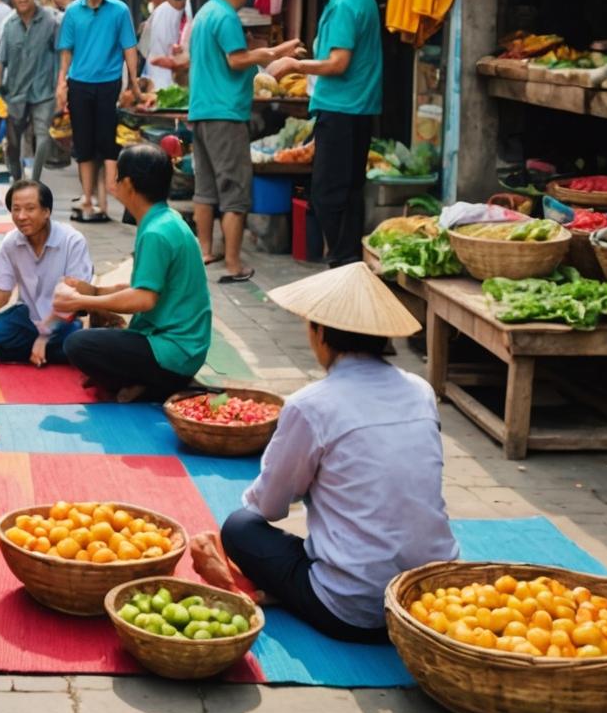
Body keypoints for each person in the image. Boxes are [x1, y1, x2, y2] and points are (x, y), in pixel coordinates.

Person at [190, 263, 456, 643]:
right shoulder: (420, 390)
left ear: (320, 334)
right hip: (428, 597)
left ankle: (287, 592)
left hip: (353, 609)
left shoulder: (311, 405)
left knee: (240, 528)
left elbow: (267, 504)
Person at [53, 143, 210, 402]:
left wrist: (82, 301)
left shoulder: (156, 232)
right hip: (180, 345)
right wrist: (95, 292)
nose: (114, 183)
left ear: (128, 184)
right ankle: (138, 379)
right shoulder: (165, 219)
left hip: (175, 350)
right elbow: (147, 286)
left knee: (77, 345)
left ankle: (150, 383)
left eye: (117, 177)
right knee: (96, 333)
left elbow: (143, 299)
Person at [269, 0, 383, 266]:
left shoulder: (347, 1)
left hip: (344, 108)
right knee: (345, 191)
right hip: (352, 108)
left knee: (329, 193)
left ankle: (343, 263)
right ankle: (347, 262)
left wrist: (294, 64)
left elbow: (338, 62)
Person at [189, 0, 302, 283]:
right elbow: (237, 60)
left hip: (202, 110)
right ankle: (235, 264)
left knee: (206, 187)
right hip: (225, 113)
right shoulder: (225, 16)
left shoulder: (205, 12)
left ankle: (206, 250)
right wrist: (274, 53)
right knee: (234, 189)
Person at [55, 0, 140, 223]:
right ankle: (88, 198)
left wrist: (133, 83)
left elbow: (129, 48)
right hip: (79, 83)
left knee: (107, 142)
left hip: (109, 82)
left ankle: (110, 195)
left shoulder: (119, 10)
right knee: (83, 144)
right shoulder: (72, 11)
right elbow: (66, 51)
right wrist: (61, 83)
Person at [0, 180, 94, 365]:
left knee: (79, 345)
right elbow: (0, 293)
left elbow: (75, 299)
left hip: (63, 319)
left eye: (30, 208)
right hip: (27, 317)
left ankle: (44, 348)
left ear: (46, 212)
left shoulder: (72, 241)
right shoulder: (11, 242)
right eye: (16, 209)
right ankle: (49, 352)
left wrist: (44, 336)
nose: (21, 216)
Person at [0, 0, 60, 184]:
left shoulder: (51, 22)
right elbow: (0, 61)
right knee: (13, 143)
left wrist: (62, 86)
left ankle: (34, 181)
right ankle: (17, 178)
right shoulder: (9, 26)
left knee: (42, 135)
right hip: (15, 92)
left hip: (44, 90)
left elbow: (63, 54)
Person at [141, 0, 189, 88]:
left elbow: (143, 48)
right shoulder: (183, 9)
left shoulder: (163, 11)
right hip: (170, 76)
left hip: (162, 76)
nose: (150, 1)